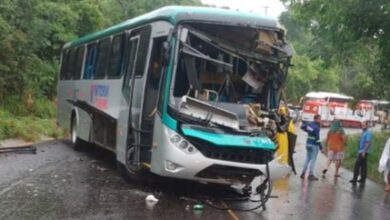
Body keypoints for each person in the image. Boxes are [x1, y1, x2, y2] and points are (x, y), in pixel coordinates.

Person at [300, 114, 323, 180]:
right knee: (313, 160)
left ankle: (303, 173)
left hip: (308, 144)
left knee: (307, 159)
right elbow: (317, 138)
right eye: (319, 119)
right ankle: (311, 174)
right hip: (314, 145)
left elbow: (302, 127)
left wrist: (306, 123)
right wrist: (321, 147)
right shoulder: (316, 127)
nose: (320, 120)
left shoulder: (310, 125)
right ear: (315, 119)